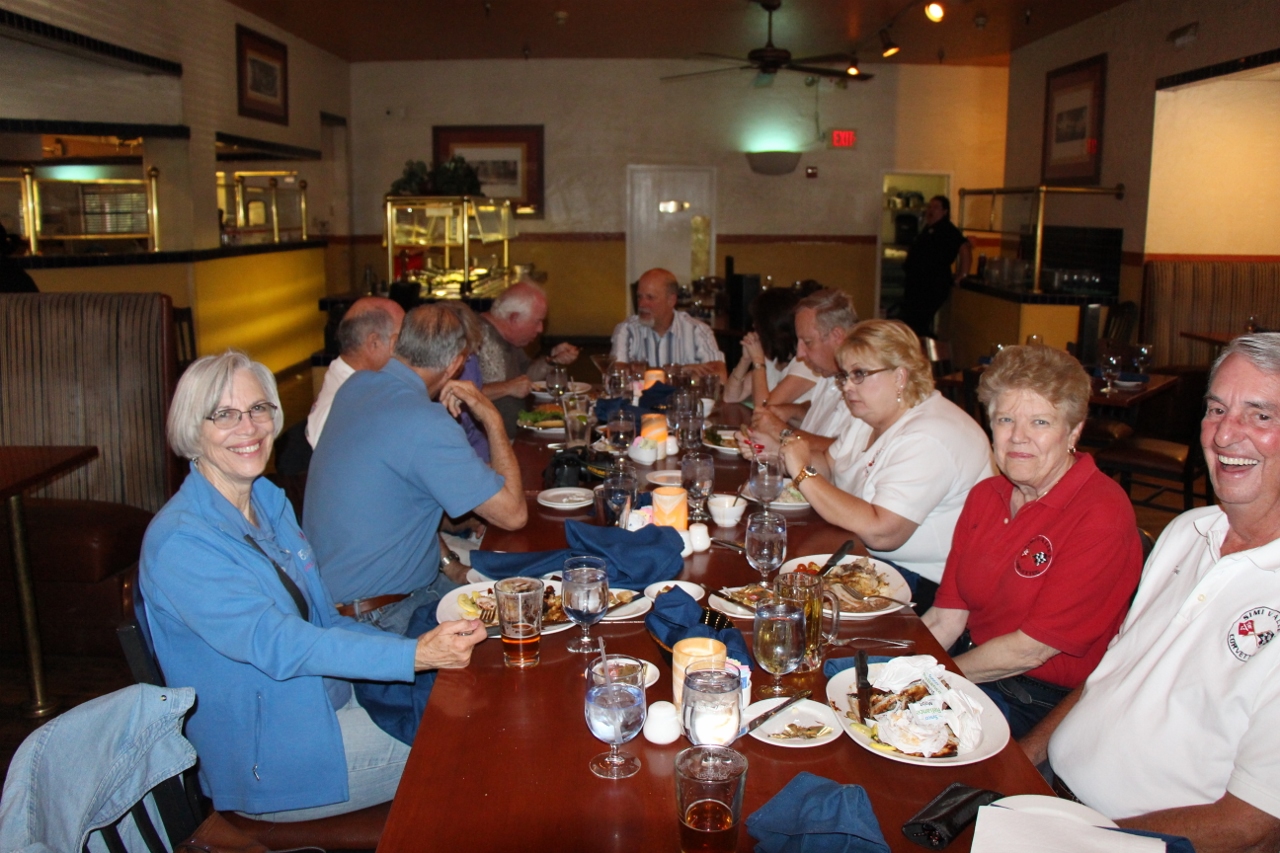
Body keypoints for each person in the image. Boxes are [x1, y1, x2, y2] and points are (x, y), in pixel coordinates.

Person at [139, 351, 486, 820]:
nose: (249, 427)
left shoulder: (266, 499)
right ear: (191, 428)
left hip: (328, 705)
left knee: (478, 702)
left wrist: (417, 647)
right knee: (475, 742)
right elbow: (280, 643)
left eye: (258, 409)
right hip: (272, 760)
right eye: (224, 414)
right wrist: (412, 656)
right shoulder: (183, 542)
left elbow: (324, 617)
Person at [1021, 334, 1280, 852]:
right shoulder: (1187, 531)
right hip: (1049, 798)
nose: (1226, 434)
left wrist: (1092, 841)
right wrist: (1023, 756)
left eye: (1260, 416)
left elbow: (1249, 823)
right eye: (1216, 409)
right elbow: (1113, 673)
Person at [921, 345, 1142, 738]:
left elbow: (1031, 649)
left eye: (1040, 422)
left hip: (1038, 698)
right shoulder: (986, 496)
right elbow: (946, 617)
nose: (1018, 437)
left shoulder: (1100, 513)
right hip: (974, 666)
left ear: (1074, 431)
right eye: (1005, 419)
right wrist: (897, 669)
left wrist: (925, 682)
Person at [304, 303, 528, 636]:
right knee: (524, 610)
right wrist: (490, 417)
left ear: (400, 344)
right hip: (381, 615)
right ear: (454, 365)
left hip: (333, 600)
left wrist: (450, 564)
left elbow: (403, 502)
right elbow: (513, 514)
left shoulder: (356, 387)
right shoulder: (425, 421)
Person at [777, 320, 992, 610]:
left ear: (900, 377)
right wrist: (783, 453)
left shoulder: (931, 435)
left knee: (789, 602)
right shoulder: (869, 416)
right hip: (868, 560)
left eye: (860, 374)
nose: (848, 387)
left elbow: (883, 531)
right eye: (845, 376)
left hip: (927, 591)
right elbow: (829, 465)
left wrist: (802, 473)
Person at [744, 288, 858, 456]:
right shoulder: (829, 374)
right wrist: (794, 411)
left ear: (837, 336)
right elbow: (825, 417)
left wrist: (781, 431)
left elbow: (843, 452)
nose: (799, 354)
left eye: (808, 342)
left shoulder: (865, 384)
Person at [478, 279, 579, 435]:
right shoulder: (477, 338)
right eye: (537, 321)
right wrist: (507, 387)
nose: (540, 329)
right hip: (489, 446)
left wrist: (552, 360)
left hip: (516, 434)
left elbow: (526, 377)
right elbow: (459, 393)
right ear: (514, 318)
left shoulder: (509, 339)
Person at [306, 296, 405, 448]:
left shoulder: (356, 384)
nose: (406, 349)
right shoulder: (339, 411)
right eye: (400, 340)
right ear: (374, 343)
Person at [610, 268, 726, 382]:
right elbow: (617, 374)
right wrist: (679, 371)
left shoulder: (697, 330)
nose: (642, 304)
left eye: (650, 297)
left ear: (671, 300)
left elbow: (719, 377)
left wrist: (643, 373)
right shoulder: (627, 329)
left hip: (684, 401)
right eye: (639, 297)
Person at [722, 286, 818, 408]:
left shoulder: (805, 364)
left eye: (758, 321)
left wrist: (758, 361)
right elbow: (730, 397)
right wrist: (745, 360)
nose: (753, 325)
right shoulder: (774, 359)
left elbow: (764, 409)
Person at [899, 195, 970, 339]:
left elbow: (964, 249)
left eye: (936, 207)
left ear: (945, 211)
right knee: (909, 321)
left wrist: (962, 274)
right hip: (916, 284)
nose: (931, 210)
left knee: (918, 323)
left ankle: (927, 352)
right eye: (929, 207)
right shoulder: (927, 228)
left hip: (932, 285)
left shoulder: (948, 230)